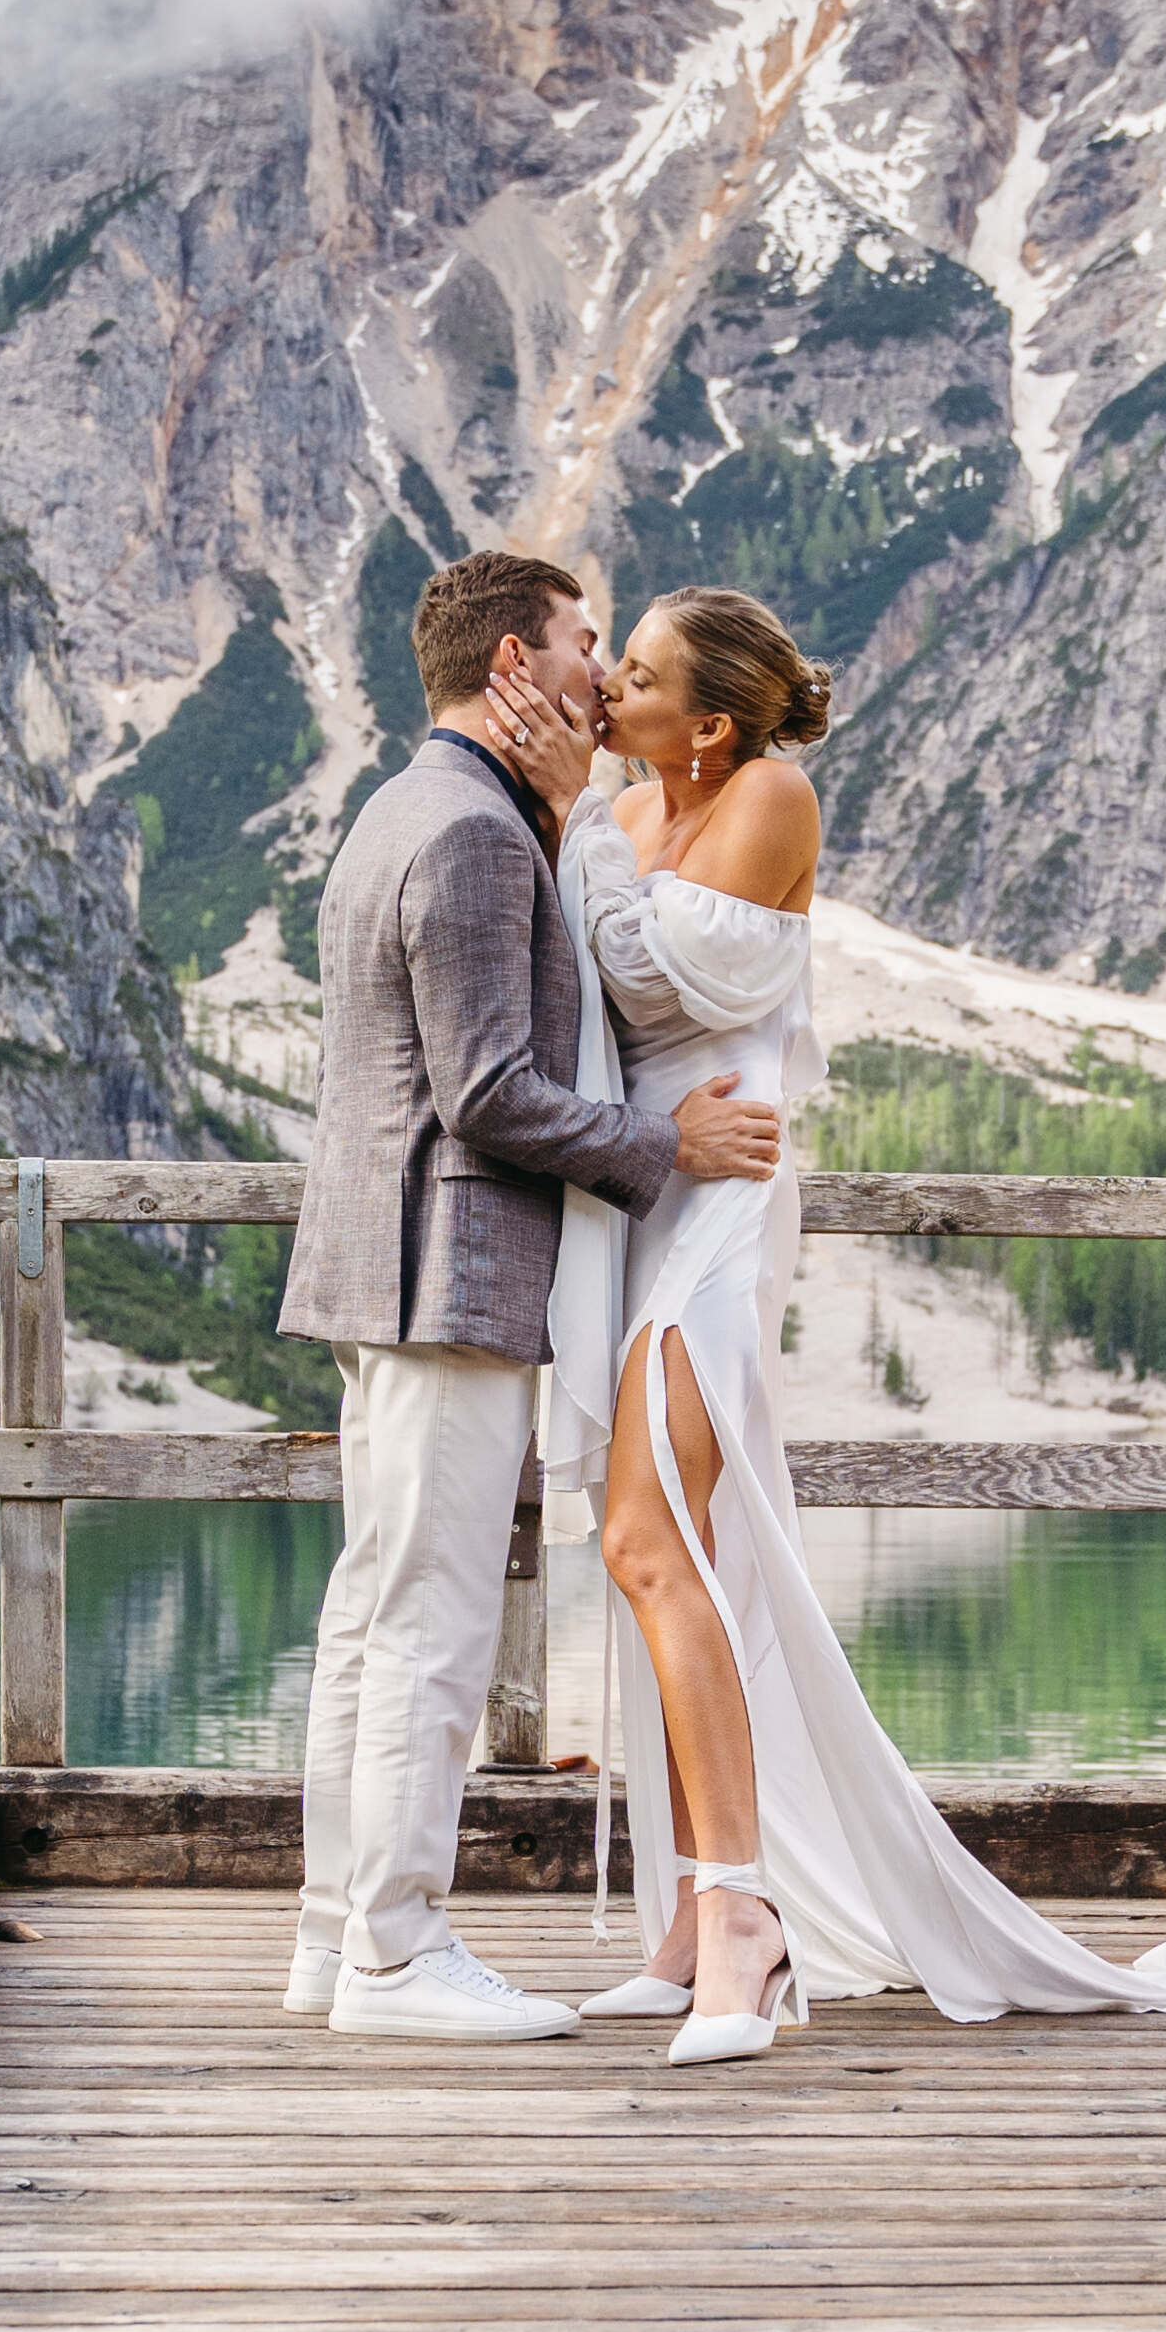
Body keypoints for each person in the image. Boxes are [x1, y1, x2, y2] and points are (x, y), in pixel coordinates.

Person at [481, 581, 1166, 2065]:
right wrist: (569, 830)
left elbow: (678, 977)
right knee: (684, 1554)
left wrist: (565, 827)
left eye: (639, 674)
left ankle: (743, 1917)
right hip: (644, 1192)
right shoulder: (620, 821)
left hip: (725, 1208)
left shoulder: (770, 798)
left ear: (712, 722)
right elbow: (582, 1000)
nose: (608, 689)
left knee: (648, 1535)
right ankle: (696, 1920)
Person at [281, 546, 784, 2042]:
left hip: (387, 1271)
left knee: (370, 1613)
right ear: (512, 664)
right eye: (577, 643)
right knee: (428, 1619)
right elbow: (490, 1090)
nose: (594, 674)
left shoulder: (404, 807)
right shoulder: (485, 837)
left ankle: (333, 1939)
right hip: (453, 1271)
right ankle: (395, 1952)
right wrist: (664, 1143)